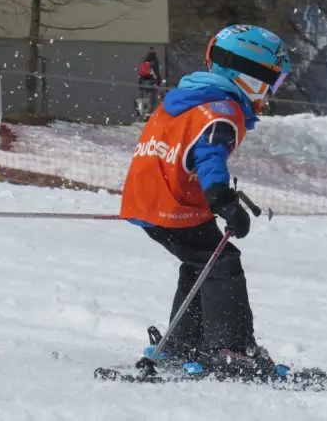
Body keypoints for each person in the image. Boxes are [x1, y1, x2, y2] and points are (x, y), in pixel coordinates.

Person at [119, 24, 291, 377]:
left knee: (202, 262)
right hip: (173, 206)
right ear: (248, 76)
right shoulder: (222, 111)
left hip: (149, 200)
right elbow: (210, 154)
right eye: (270, 84)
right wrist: (223, 200)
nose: (269, 94)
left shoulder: (189, 100)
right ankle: (229, 350)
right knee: (222, 264)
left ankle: (182, 345)